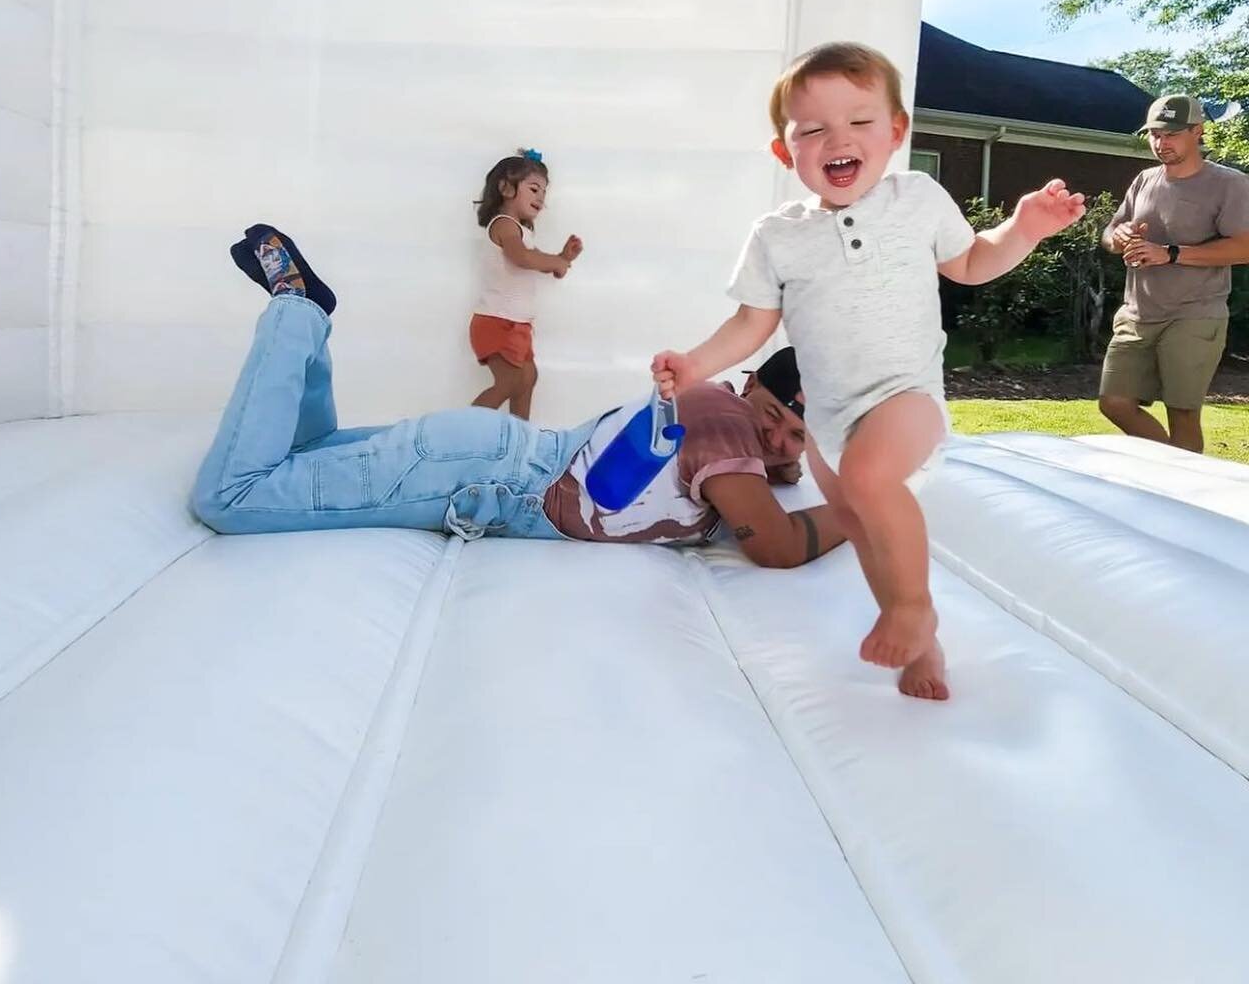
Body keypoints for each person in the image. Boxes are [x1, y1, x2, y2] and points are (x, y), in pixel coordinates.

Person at [652, 42, 1086, 702]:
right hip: (827, 420)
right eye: (813, 129)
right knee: (857, 523)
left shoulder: (916, 199)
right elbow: (752, 324)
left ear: (896, 131)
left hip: (904, 398)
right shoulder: (776, 236)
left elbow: (970, 263)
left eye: (859, 121)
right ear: (784, 152)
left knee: (869, 476)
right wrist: (695, 364)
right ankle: (921, 645)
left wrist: (1024, 228)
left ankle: (915, 608)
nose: (839, 140)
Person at [194, 225, 842, 586]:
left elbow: (770, 475)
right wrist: (860, 514)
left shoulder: (721, 416)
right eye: (774, 418)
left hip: (481, 455)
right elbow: (777, 548)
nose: (781, 443)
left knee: (301, 456)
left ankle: (308, 324)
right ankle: (297, 309)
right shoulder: (724, 426)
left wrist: (784, 457)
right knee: (231, 498)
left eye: (796, 437)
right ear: (749, 382)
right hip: (470, 474)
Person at [1098, 94, 1249, 453]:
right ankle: (1179, 470)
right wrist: (1117, 237)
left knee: (1182, 411)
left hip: (1195, 314)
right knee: (1114, 402)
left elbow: (1244, 247)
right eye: (1154, 135)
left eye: (1171, 135)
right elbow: (1110, 232)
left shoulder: (1229, 184)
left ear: (1197, 132)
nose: (1160, 143)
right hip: (1137, 314)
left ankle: (1183, 492)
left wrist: (1171, 253)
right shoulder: (1143, 180)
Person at [468, 149, 583, 419]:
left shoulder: (523, 233)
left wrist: (562, 259)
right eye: (534, 189)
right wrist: (556, 261)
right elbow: (521, 258)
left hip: (517, 324)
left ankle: (519, 437)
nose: (541, 198)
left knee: (527, 379)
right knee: (510, 382)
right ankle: (465, 431)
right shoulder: (504, 225)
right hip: (496, 322)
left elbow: (538, 264)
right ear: (506, 188)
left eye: (543, 192)